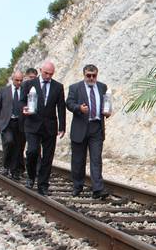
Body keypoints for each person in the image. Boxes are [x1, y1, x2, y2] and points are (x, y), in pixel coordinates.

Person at [20, 61, 66, 196]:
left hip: (50, 126)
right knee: (32, 152)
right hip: (32, 124)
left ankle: (43, 184)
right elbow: (22, 100)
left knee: (48, 157)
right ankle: (31, 176)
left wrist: (62, 126)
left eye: (51, 74)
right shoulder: (29, 84)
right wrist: (24, 108)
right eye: (46, 73)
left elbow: (61, 107)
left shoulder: (58, 87)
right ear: (40, 70)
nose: (48, 76)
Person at [66, 64, 110, 199]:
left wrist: (107, 111)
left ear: (97, 75)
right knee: (78, 160)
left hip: (96, 127)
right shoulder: (75, 87)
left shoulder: (102, 87)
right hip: (80, 127)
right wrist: (79, 108)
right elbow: (68, 103)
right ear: (84, 75)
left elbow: (106, 103)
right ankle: (77, 186)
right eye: (88, 75)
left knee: (96, 159)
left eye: (94, 76)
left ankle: (98, 189)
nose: (91, 78)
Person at [0, 71, 25, 180]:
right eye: (17, 80)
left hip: (20, 122)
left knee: (18, 147)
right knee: (9, 142)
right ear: (12, 79)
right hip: (6, 123)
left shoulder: (25, 91)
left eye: (21, 80)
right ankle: (6, 166)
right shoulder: (4, 91)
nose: (19, 82)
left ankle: (14, 171)